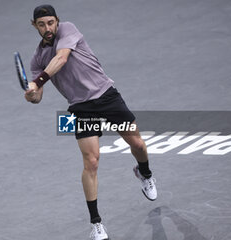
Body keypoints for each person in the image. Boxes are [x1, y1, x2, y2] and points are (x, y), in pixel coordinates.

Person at [24, 4, 157, 240]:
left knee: (137, 145)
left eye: (51, 22)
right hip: (80, 108)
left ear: (57, 21)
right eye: (42, 24)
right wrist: (32, 93)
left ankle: (144, 173)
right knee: (92, 162)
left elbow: (62, 58)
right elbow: (38, 97)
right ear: (34, 25)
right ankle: (96, 223)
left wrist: (39, 79)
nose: (48, 28)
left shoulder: (68, 29)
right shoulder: (37, 59)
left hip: (107, 95)